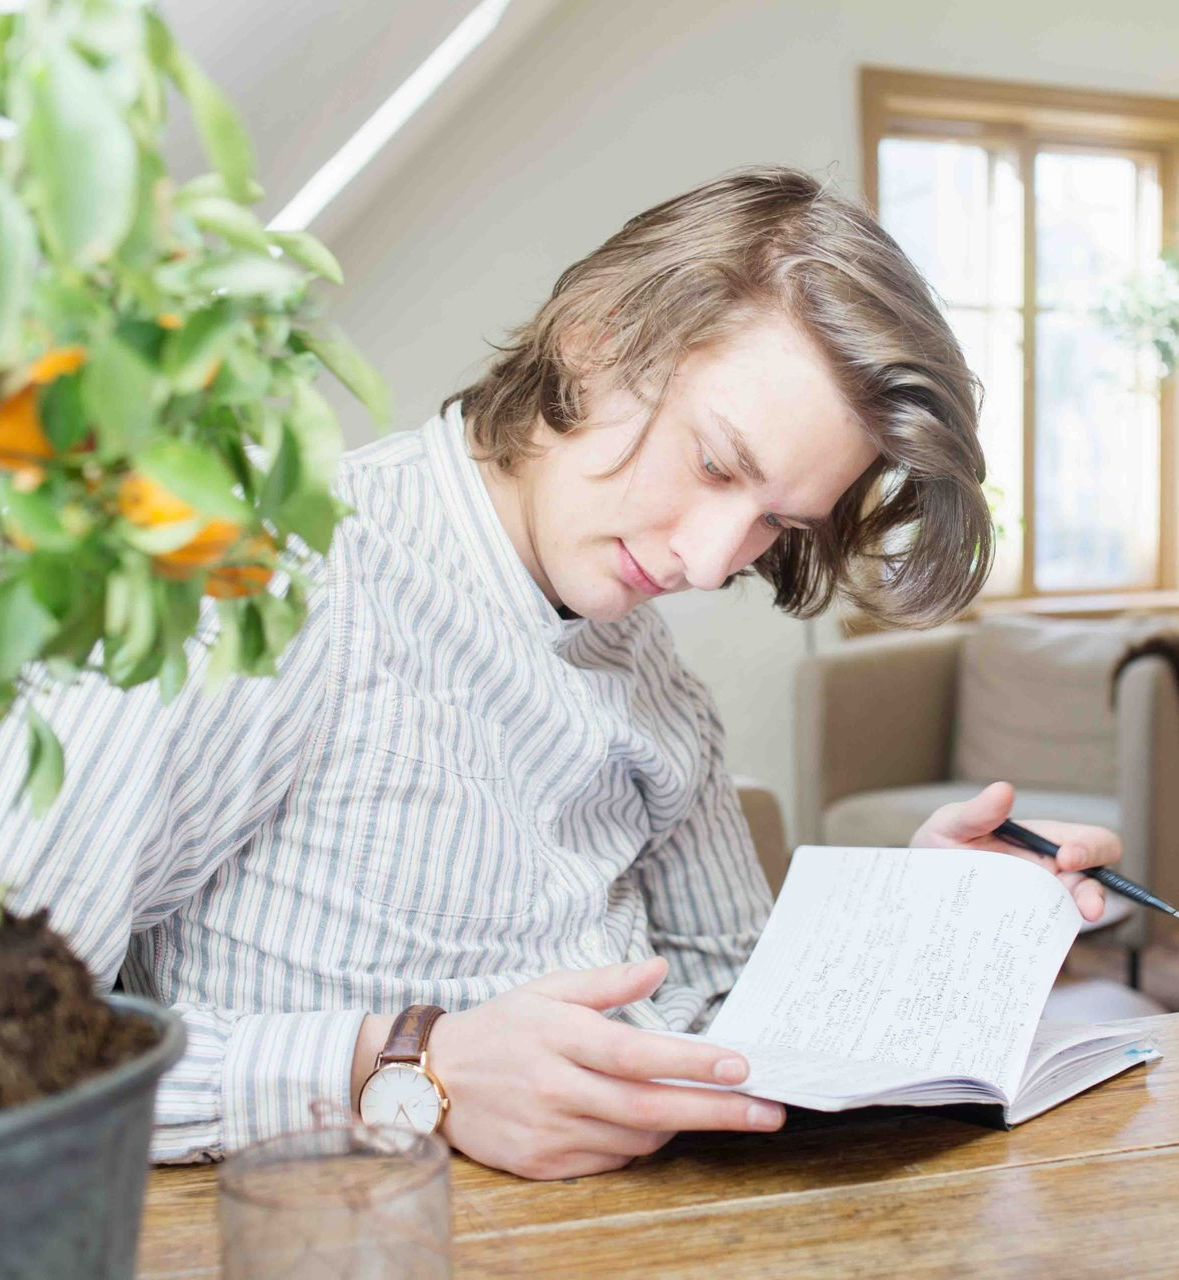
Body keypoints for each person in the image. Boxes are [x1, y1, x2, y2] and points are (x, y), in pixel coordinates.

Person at [0, 167, 1121, 1180]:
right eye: (713, 461)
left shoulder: (652, 674)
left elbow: (733, 1011)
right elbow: (23, 1048)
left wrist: (913, 934)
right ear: (593, 338)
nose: (706, 558)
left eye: (773, 522)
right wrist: (405, 1070)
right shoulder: (272, 577)